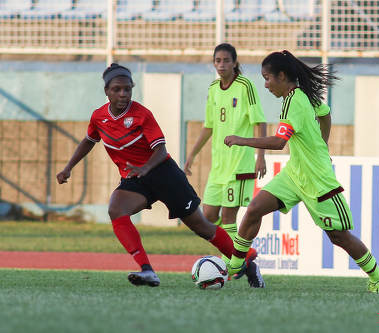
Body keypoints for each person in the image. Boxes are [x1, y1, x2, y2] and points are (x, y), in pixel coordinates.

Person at [56, 63, 257, 288]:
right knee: (116, 209)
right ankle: (147, 270)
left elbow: (161, 150)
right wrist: (68, 167)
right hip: (136, 178)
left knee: (202, 226)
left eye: (127, 89)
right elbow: (89, 141)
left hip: (165, 174)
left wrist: (144, 168)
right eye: (117, 89)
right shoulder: (98, 117)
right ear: (106, 91)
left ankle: (248, 260)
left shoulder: (142, 114)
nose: (123, 94)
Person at [224, 50, 379, 294]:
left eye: (267, 78)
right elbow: (325, 114)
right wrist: (322, 143)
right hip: (295, 174)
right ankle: (236, 264)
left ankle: (377, 275)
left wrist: (241, 139)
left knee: (338, 237)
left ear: (282, 76)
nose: (266, 85)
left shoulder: (295, 103)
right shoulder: (302, 96)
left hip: (317, 180)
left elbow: (279, 143)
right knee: (254, 210)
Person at [184, 43, 267, 287]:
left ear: (234, 62)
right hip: (218, 167)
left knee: (229, 218)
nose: (221, 65)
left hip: (239, 164)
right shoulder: (213, 88)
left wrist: (260, 156)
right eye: (217, 61)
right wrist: (192, 155)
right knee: (208, 217)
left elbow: (259, 122)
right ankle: (246, 262)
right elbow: (209, 126)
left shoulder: (246, 86)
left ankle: (232, 266)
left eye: (225, 60)